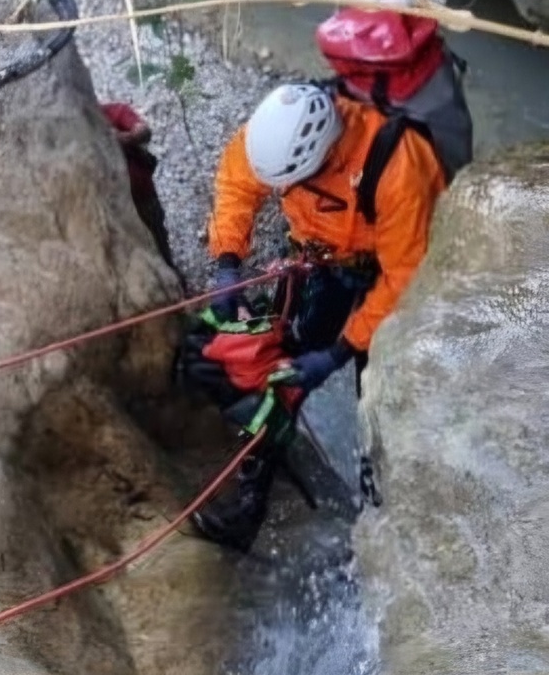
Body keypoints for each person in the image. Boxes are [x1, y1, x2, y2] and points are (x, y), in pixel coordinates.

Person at [189, 80, 447, 552]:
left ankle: (377, 536)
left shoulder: (397, 165)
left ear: (321, 157)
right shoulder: (276, 136)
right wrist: (227, 261)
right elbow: (237, 183)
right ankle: (249, 505)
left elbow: (404, 276)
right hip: (322, 263)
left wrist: (341, 350)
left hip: (387, 274)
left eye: (288, 184)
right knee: (279, 378)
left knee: (378, 404)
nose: (279, 192)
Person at [101, 102, 175, 269]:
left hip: (142, 197)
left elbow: (143, 131)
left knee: (159, 243)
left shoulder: (114, 111)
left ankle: (175, 283)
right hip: (114, 206)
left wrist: (122, 139)